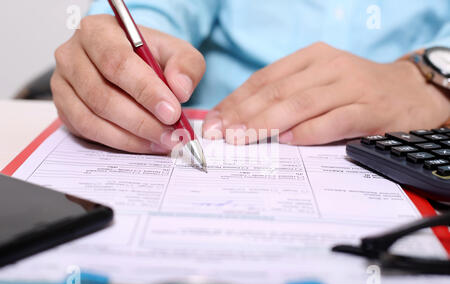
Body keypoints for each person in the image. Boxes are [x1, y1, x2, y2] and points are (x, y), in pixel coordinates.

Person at [51, 0, 450, 154]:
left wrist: (431, 78)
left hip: (417, 144)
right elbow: (150, 14)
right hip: (207, 138)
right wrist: (114, 58)